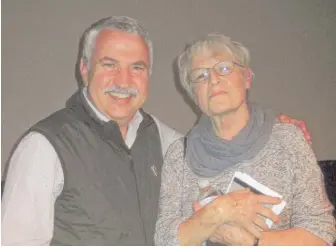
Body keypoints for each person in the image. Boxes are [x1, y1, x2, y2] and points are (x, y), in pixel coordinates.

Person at [1, 17, 311, 245]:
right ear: (84, 69)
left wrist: (271, 126)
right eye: (109, 64)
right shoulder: (43, 146)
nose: (124, 80)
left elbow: (219, 149)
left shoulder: (163, 140)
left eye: (137, 67)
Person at [154, 34, 335, 246]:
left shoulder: (288, 140)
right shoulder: (179, 155)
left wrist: (251, 241)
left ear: (247, 77)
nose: (213, 80)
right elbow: (165, 239)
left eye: (224, 68)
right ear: (194, 94)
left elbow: (321, 233)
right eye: (201, 76)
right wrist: (218, 212)